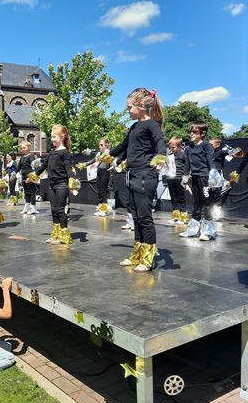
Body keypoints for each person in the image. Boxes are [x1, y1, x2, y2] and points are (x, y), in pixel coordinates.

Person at [110, 88, 167, 272]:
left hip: (145, 176)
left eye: (129, 108)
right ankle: (138, 254)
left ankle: (148, 258)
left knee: (144, 217)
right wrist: (104, 156)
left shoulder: (152, 125)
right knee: (135, 217)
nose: (127, 111)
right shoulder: (134, 127)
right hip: (132, 175)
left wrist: (160, 158)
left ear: (141, 106)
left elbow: (160, 143)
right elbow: (122, 146)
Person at [29, 125, 78, 244]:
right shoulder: (52, 152)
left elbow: (68, 169)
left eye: (54, 137)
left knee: (61, 210)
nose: (52, 139)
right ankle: (56, 235)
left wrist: (72, 184)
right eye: (51, 137)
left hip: (62, 185)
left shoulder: (65, 153)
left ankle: (64, 236)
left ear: (62, 137)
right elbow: (43, 166)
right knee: (54, 210)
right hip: (51, 185)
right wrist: (33, 176)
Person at [179, 123, 218, 241]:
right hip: (195, 178)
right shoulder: (189, 147)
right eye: (190, 131)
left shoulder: (207, 146)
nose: (191, 134)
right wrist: (185, 178)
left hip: (205, 178)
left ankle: (209, 232)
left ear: (202, 133)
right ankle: (192, 230)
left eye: (195, 132)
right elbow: (187, 163)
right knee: (196, 204)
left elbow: (211, 163)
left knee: (207, 204)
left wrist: (213, 180)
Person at [77, 138, 115, 217]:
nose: (100, 146)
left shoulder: (109, 153)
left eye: (101, 145)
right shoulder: (99, 154)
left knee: (104, 191)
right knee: (100, 191)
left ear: (106, 145)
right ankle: (101, 209)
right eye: (99, 145)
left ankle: (104, 210)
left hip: (105, 172)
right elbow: (93, 161)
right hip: (99, 171)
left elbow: (114, 162)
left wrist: (112, 167)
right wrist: (84, 164)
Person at [165, 137, 187, 225]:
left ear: (179, 146)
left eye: (173, 147)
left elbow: (187, 166)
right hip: (170, 178)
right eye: (170, 147)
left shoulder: (183, 154)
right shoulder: (170, 154)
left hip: (179, 179)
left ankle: (183, 218)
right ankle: (175, 217)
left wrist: (186, 178)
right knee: (173, 199)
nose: (171, 149)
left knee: (181, 199)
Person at [16, 141, 38, 214]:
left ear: (29, 147)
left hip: (30, 176)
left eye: (24, 148)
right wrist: (14, 173)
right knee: (27, 192)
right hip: (24, 177)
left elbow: (33, 166)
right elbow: (19, 167)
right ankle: (26, 207)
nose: (23, 149)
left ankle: (33, 207)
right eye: (22, 148)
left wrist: (31, 177)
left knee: (32, 192)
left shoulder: (31, 156)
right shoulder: (22, 158)